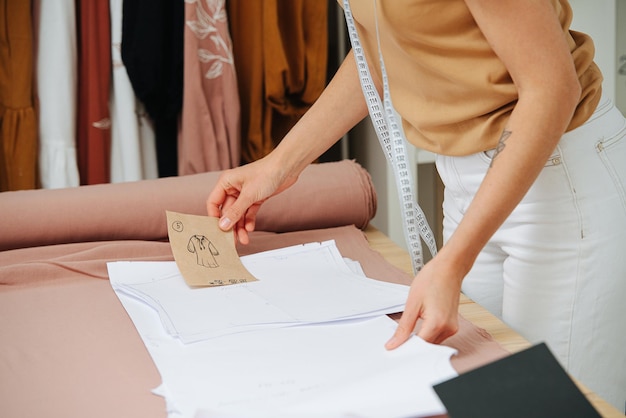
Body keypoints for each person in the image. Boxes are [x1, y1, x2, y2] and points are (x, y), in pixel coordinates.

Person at [208, 0, 626, 410]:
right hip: (470, 185)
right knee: (481, 389)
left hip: (559, 181)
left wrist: (453, 261)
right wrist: (278, 165)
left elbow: (552, 87)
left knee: (552, 404)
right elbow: (381, 54)